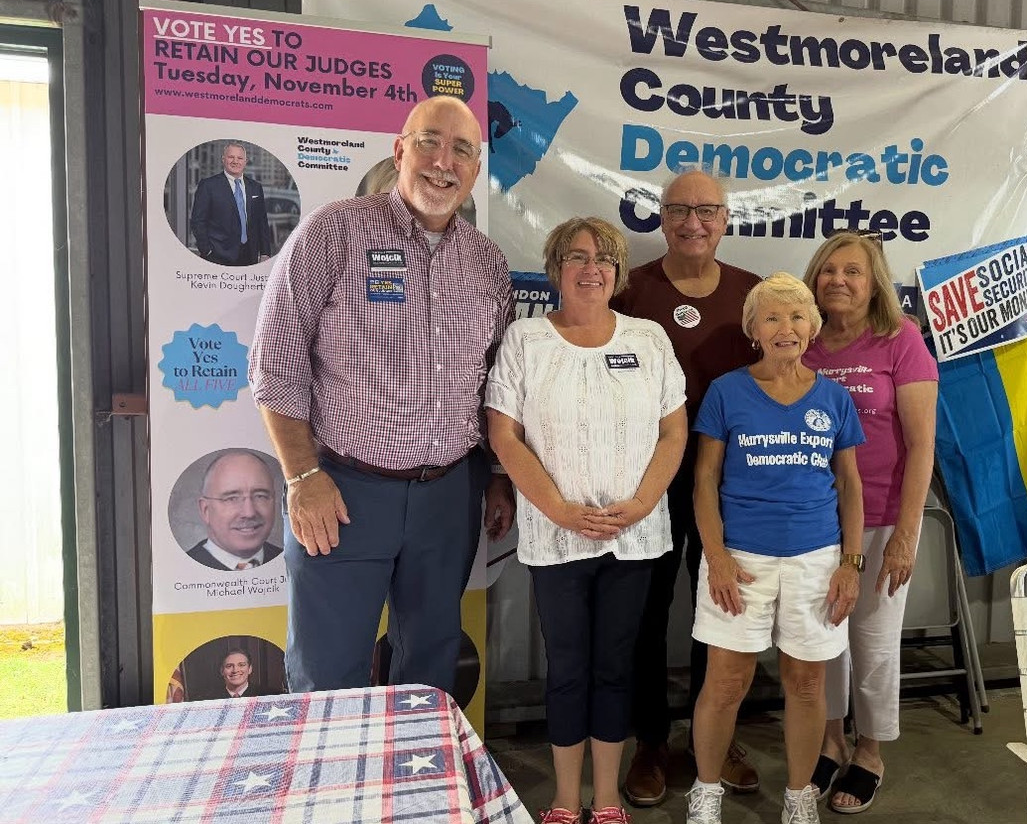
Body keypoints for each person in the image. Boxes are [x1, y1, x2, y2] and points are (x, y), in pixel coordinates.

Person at [248, 95, 516, 696]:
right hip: (342, 491)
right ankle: (330, 788)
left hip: (449, 493)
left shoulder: (487, 264)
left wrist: (497, 477)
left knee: (429, 663)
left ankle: (415, 788)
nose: (443, 162)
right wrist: (300, 478)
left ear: (475, 171)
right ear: (399, 150)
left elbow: (497, 382)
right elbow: (276, 363)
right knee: (327, 670)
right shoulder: (334, 230)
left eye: (462, 150)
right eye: (429, 142)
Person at [486, 216, 687, 824]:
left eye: (603, 258)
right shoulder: (524, 340)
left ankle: (605, 799)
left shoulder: (649, 340)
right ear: (555, 270)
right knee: (568, 669)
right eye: (575, 257)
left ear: (619, 273)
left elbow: (674, 431)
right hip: (556, 537)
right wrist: (559, 509)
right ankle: (566, 800)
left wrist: (646, 500)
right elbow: (504, 433)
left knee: (614, 666)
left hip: (634, 538)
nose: (590, 267)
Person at [685, 271, 866, 824]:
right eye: (771, 317)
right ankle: (707, 790)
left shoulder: (834, 398)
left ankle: (798, 796)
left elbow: (851, 487)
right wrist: (715, 556)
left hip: (816, 561)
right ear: (754, 330)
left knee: (807, 684)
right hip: (741, 560)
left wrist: (851, 564)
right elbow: (704, 481)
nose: (784, 328)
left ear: (811, 328)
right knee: (726, 683)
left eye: (795, 317)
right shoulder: (727, 391)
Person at [610, 168, 763, 807]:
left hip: (733, 486)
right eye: (679, 209)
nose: (692, 222)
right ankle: (650, 740)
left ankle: (716, 733)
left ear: (726, 219)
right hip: (648, 481)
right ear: (661, 216)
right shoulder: (629, 290)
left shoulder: (753, 294)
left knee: (721, 611)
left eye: (706, 210)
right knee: (646, 612)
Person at [800, 231, 938, 814]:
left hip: (883, 518)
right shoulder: (802, 341)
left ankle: (870, 751)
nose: (838, 281)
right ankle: (829, 740)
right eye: (829, 270)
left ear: (873, 280)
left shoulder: (900, 341)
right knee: (821, 640)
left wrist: (906, 534)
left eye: (852, 271)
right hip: (812, 523)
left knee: (874, 643)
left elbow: (922, 446)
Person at [185, 449, 282, 571]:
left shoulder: (291, 562)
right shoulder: (180, 569)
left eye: (260, 496)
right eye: (232, 498)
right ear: (205, 510)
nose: (249, 512)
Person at [190, 141, 273, 266]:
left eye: (240, 158)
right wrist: (207, 251)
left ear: (245, 161)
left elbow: (262, 221)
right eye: (231, 157)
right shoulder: (208, 185)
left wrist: (265, 253)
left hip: (249, 257)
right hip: (218, 256)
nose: (235, 161)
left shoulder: (256, 187)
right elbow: (198, 221)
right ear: (223, 159)